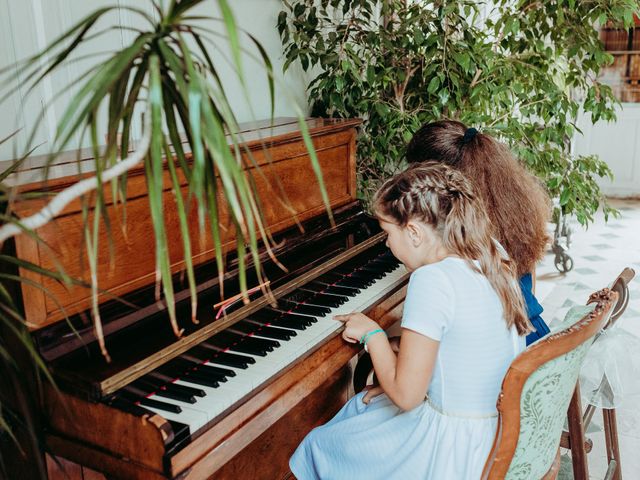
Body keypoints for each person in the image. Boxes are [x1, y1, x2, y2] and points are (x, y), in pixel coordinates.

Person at [289, 163, 530, 480]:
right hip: (494, 432)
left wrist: (374, 336)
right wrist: (399, 353)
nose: (387, 244)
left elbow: (406, 396)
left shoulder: (433, 280)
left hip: (452, 453)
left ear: (415, 233)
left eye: (388, 233)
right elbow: (464, 347)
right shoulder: (490, 253)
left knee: (320, 444)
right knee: (361, 407)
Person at [406, 120, 551, 345]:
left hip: (505, 351)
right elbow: (529, 277)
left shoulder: (462, 224)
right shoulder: (513, 203)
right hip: (533, 334)